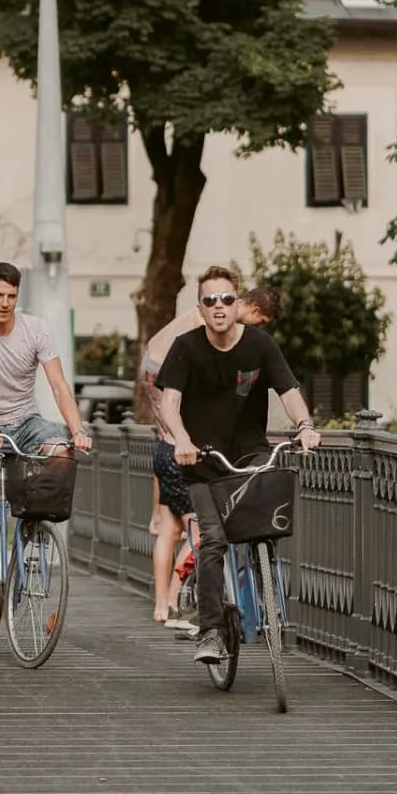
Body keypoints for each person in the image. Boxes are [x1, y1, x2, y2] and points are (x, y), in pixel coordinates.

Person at [156, 267, 321, 665]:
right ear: (201, 307)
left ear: (238, 303)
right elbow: (169, 402)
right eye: (210, 300)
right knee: (213, 539)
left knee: (265, 521)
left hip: (248, 452)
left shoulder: (260, 345)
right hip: (201, 459)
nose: (219, 307)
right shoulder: (186, 347)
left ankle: (267, 594)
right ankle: (211, 630)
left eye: (227, 299)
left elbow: (289, 390)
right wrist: (181, 438)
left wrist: (306, 426)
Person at [0, 262, 94, 618]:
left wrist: (77, 429)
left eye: (11, 296)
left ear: (18, 296)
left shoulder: (36, 329)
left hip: (25, 421)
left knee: (60, 449)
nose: (4, 303)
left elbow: (58, 385)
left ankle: (32, 527)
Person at [143, 284, 282, 626]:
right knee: (204, 530)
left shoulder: (195, 319)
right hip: (188, 440)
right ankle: (177, 598)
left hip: (164, 435)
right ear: (253, 309)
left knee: (169, 529)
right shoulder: (207, 332)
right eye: (259, 321)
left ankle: (163, 605)